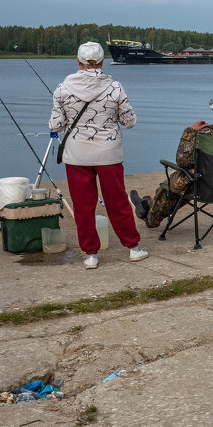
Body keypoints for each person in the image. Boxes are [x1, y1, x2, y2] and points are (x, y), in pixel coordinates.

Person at [49, 41, 148, 269]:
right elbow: (129, 121)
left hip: (76, 156)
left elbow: (56, 124)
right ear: (102, 62)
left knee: (84, 206)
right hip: (108, 154)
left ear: (78, 61)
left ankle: (91, 255)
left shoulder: (62, 89)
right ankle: (133, 248)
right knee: (118, 202)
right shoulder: (115, 87)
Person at [130, 96, 213, 229]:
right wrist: (211, 129)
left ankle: (149, 214)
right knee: (187, 179)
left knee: (180, 181)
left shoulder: (208, 135)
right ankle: (145, 205)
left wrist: (191, 132)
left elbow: (182, 161)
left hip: (205, 187)